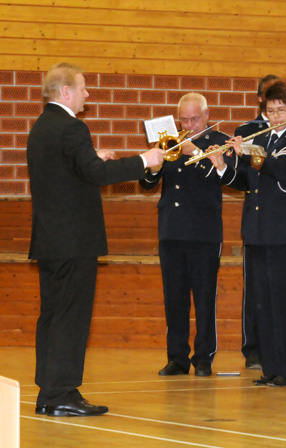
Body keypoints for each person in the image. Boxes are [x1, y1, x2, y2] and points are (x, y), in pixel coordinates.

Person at [27, 62, 165, 416]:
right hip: (74, 241)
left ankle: (49, 391)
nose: (87, 94)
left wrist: (93, 157)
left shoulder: (41, 127)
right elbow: (97, 175)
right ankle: (62, 394)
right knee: (71, 318)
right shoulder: (73, 127)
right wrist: (144, 160)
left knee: (53, 315)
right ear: (66, 92)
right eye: (82, 88)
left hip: (51, 240)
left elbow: (71, 171)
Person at [212, 82, 286, 387]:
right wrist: (222, 166)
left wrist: (246, 153)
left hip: (285, 233)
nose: (276, 116)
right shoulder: (263, 138)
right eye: (270, 111)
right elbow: (247, 182)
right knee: (264, 302)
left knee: (284, 302)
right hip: (258, 231)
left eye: (281, 110)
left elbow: (280, 171)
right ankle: (271, 367)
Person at [139, 93, 230, 377]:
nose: (189, 125)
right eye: (184, 119)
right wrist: (154, 167)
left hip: (204, 230)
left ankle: (203, 358)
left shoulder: (220, 142)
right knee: (174, 298)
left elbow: (223, 177)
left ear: (207, 115)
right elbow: (147, 184)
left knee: (204, 298)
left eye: (195, 119)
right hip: (171, 228)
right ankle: (176, 358)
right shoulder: (170, 141)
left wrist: (194, 151)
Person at [233, 73, 281, 370]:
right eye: (270, 96)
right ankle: (253, 349)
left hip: (283, 218)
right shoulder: (247, 130)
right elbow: (241, 177)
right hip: (256, 216)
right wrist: (224, 166)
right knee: (254, 288)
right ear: (261, 99)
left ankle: (278, 349)